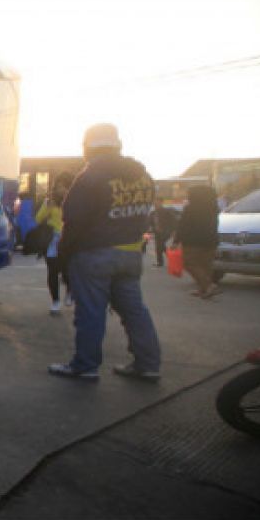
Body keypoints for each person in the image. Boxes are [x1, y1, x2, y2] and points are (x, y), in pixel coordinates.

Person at [48, 123, 162, 381]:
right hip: (131, 254)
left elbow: (73, 221)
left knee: (90, 312)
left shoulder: (90, 177)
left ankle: (85, 366)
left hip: (94, 255)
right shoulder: (143, 176)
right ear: (118, 145)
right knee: (135, 312)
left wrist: (64, 256)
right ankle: (148, 364)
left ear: (87, 147)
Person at [173, 185, 220, 298]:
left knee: (189, 263)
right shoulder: (213, 208)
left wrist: (176, 240)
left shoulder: (190, 208)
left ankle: (208, 286)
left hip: (193, 241)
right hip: (211, 241)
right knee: (205, 265)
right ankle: (203, 290)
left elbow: (183, 225)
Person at [36, 174, 73, 314]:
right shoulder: (49, 202)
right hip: (52, 242)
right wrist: (47, 207)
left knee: (67, 271)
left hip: (69, 241)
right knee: (52, 272)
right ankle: (55, 301)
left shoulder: (76, 201)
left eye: (65, 187)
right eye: (59, 187)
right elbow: (38, 219)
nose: (62, 190)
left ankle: (70, 291)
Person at [149, 200, 178, 267]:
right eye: (155, 203)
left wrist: (174, 230)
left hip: (166, 231)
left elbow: (174, 221)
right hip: (157, 232)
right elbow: (150, 222)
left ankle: (170, 258)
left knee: (160, 245)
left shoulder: (166, 211)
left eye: (157, 203)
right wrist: (150, 229)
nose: (155, 204)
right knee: (159, 246)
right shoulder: (153, 213)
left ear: (161, 203)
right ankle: (160, 262)